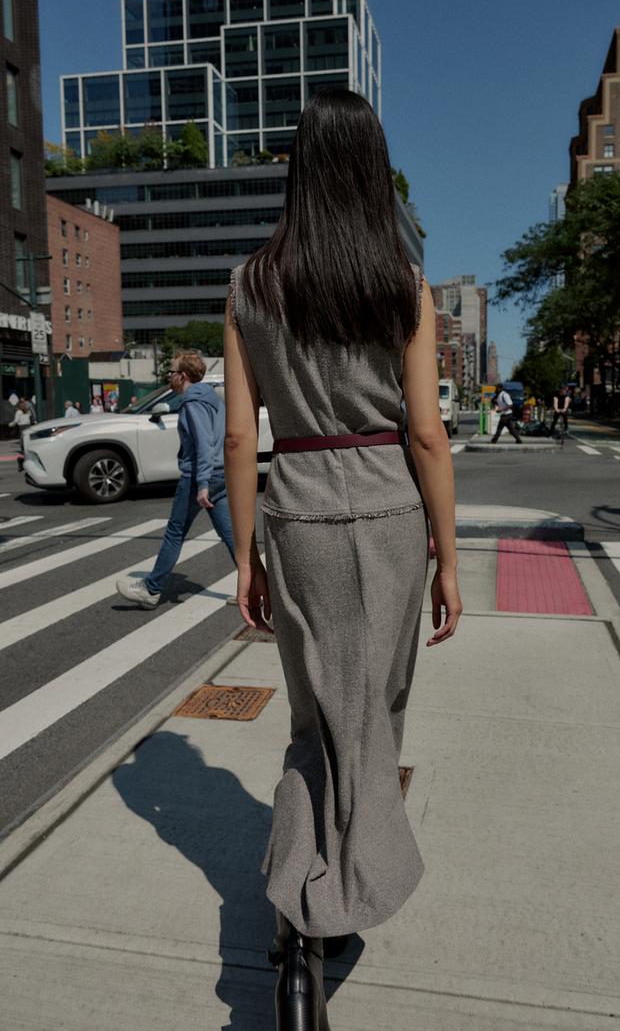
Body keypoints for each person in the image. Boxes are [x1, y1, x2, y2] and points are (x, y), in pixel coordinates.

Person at [223, 89, 462, 1030]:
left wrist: (244, 553)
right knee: (376, 716)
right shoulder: (402, 283)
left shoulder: (250, 285)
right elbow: (430, 434)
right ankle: (334, 900)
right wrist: (448, 555)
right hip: (391, 508)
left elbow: (242, 436)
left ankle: (298, 931)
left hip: (301, 509)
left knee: (315, 718)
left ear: (297, 168)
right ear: (371, 169)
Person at [116, 351, 235, 608]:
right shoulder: (212, 398)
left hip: (198, 476)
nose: (168, 376)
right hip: (219, 473)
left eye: (171, 372)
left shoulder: (192, 402)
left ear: (182, 376)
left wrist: (202, 483)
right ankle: (257, 591)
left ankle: (151, 588)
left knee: (175, 531)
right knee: (230, 535)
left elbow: (204, 442)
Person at [10, 400, 33, 471]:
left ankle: (21, 462)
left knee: (23, 445)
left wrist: (10, 425)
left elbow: (16, 421)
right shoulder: (28, 411)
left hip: (22, 429)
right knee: (28, 445)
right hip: (28, 428)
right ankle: (28, 462)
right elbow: (31, 418)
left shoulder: (18, 412)